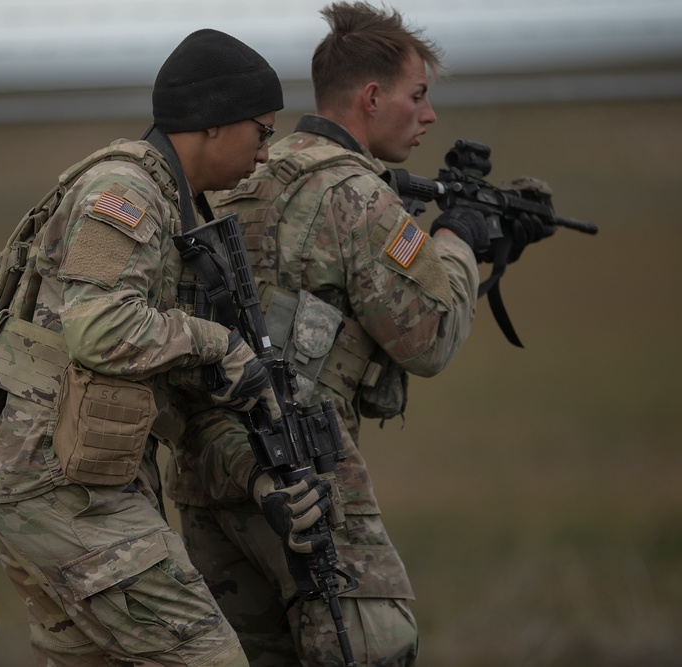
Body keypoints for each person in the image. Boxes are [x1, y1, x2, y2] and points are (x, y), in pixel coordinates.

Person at [164, 3, 553, 666]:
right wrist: (457, 239)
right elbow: (430, 337)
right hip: (300, 470)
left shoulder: (248, 172)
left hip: (208, 474)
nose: (428, 116)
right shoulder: (360, 196)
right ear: (372, 97)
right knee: (374, 649)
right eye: (418, 95)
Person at [0, 28, 310, 667]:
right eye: (262, 131)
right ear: (213, 124)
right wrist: (219, 345)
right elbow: (99, 328)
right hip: (55, 485)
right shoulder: (126, 192)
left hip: (60, 479)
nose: (266, 154)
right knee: (208, 656)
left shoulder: (169, 200)